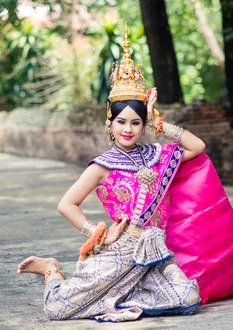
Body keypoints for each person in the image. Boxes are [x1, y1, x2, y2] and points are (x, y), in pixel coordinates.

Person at [17, 26, 233, 322]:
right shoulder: (103, 165)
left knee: (188, 297)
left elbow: (197, 146)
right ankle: (51, 269)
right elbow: (66, 204)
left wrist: (160, 122)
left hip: (156, 250)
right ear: (110, 122)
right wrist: (98, 235)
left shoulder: (157, 156)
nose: (128, 129)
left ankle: (123, 296)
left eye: (135, 122)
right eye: (121, 122)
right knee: (58, 309)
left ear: (143, 125)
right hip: (121, 249)